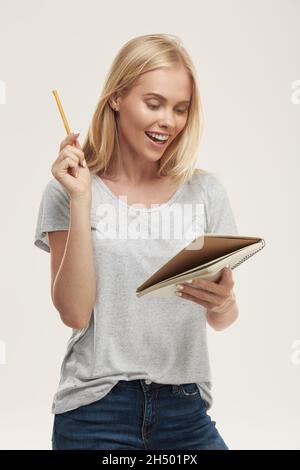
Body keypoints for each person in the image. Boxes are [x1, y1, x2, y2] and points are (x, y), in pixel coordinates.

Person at [34, 33, 239, 450]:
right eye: (154, 103)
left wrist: (224, 304)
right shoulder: (69, 189)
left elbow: (223, 317)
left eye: (180, 109)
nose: (169, 121)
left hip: (185, 408)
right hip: (96, 409)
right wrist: (81, 200)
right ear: (116, 98)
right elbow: (74, 313)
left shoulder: (206, 193)